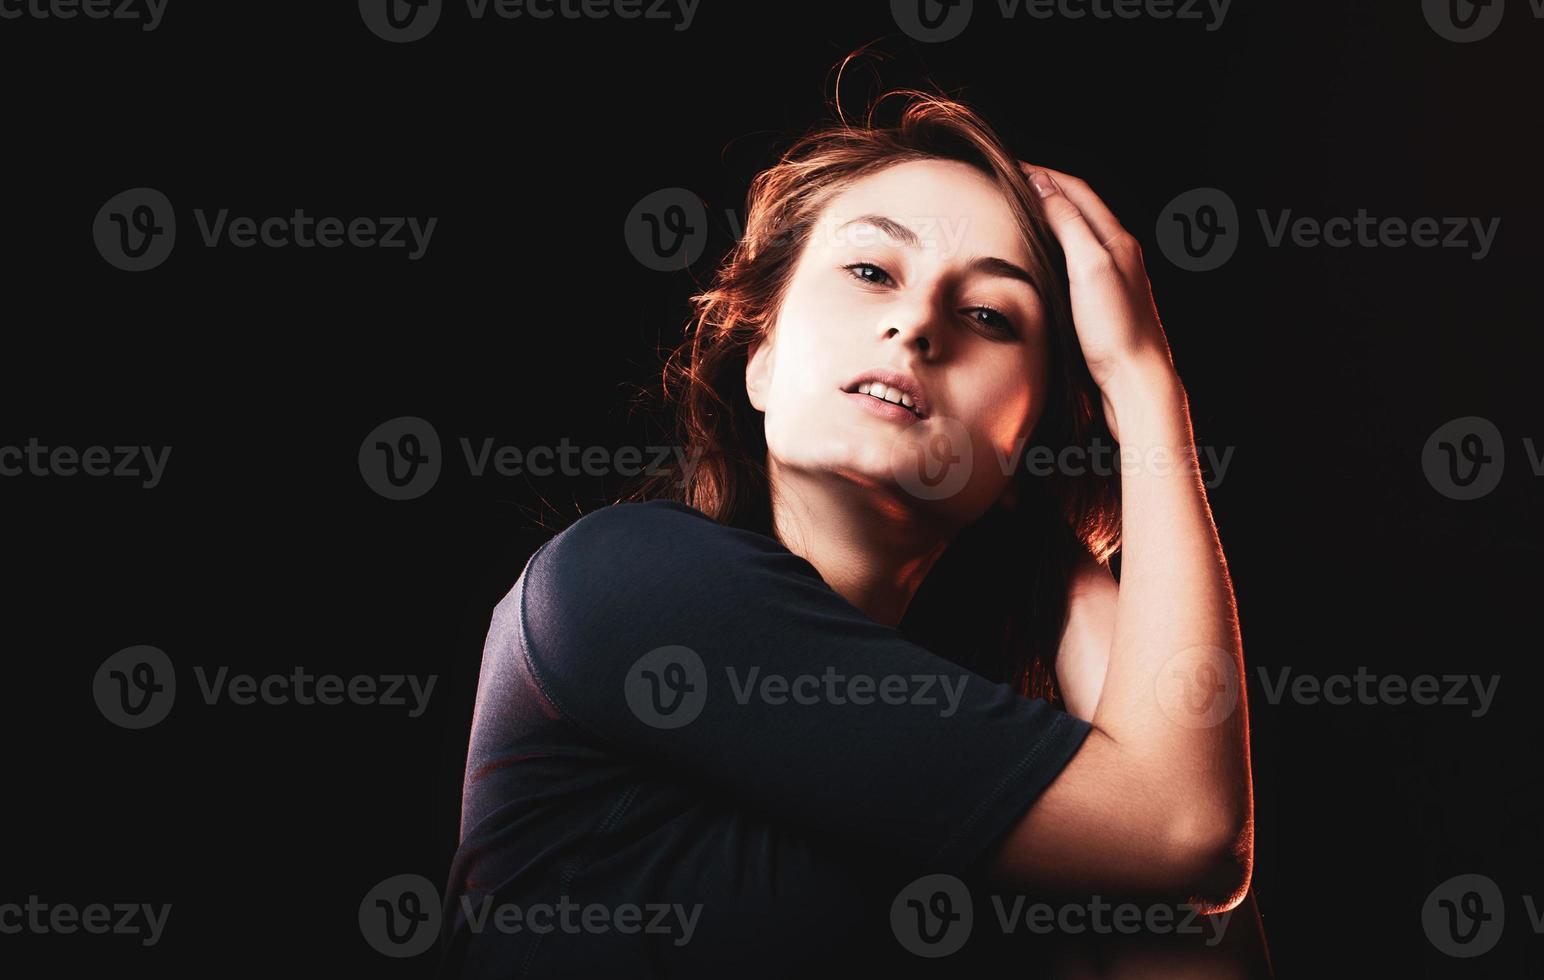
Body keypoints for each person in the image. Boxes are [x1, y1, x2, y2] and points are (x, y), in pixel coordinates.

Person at [439, 58, 1272, 978]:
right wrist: (1146, 385)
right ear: (759, 356)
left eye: (992, 316)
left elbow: (1200, 922)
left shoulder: (1021, 801)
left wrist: (1119, 417)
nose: (918, 325)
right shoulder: (622, 581)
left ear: (1028, 440)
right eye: (872, 269)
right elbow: (1185, 832)